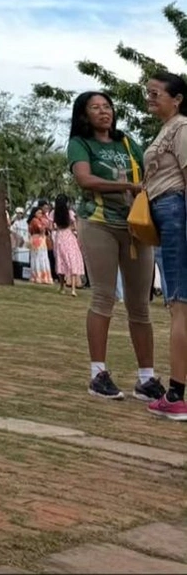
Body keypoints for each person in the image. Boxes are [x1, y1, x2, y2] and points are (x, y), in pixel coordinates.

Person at [67, 90, 162, 401]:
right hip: (99, 223)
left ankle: (146, 378)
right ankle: (98, 373)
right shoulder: (80, 144)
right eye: (95, 107)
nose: (104, 112)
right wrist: (127, 186)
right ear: (84, 115)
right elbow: (85, 180)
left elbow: (148, 172)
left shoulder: (126, 142)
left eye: (107, 106)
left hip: (135, 225)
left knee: (140, 303)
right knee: (104, 295)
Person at [142, 71, 187, 418]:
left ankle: (176, 393)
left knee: (179, 304)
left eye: (156, 94)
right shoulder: (167, 129)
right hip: (166, 213)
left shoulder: (181, 128)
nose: (150, 99)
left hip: (175, 212)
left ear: (177, 99)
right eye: (148, 93)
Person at [51, 196, 84, 296]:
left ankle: (62, 287)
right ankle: (73, 289)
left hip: (59, 236)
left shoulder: (53, 213)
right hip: (69, 236)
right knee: (72, 260)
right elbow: (75, 226)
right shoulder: (70, 213)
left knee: (61, 261)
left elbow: (51, 226)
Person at [27, 202, 53, 284]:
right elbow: (41, 229)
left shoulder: (35, 220)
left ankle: (38, 276)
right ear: (34, 214)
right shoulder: (35, 221)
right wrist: (45, 225)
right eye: (39, 213)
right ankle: (40, 277)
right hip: (38, 239)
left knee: (38, 257)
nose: (41, 214)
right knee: (41, 257)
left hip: (37, 239)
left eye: (41, 213)